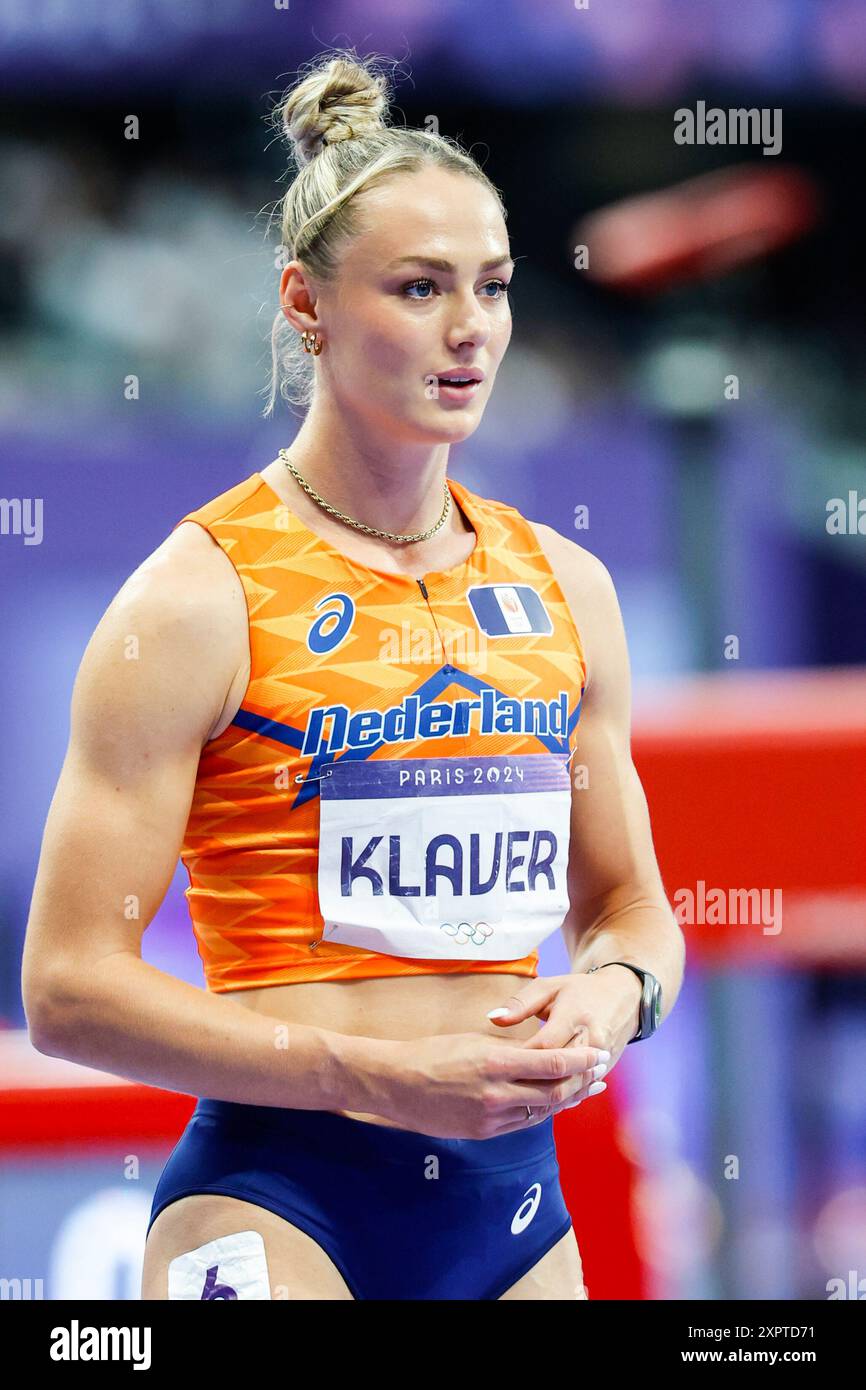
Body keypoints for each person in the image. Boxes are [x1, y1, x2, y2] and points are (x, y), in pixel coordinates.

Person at [21, 48, 685, 1301]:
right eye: (419, 287)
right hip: (284, 1197)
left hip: (519, 1214)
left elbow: (634, 915)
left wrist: (611, 995)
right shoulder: (196, 597)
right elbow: (67, 988)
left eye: (490, 287)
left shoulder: (566, 589)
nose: (468, 330)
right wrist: (367, 1073)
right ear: (305, 304)